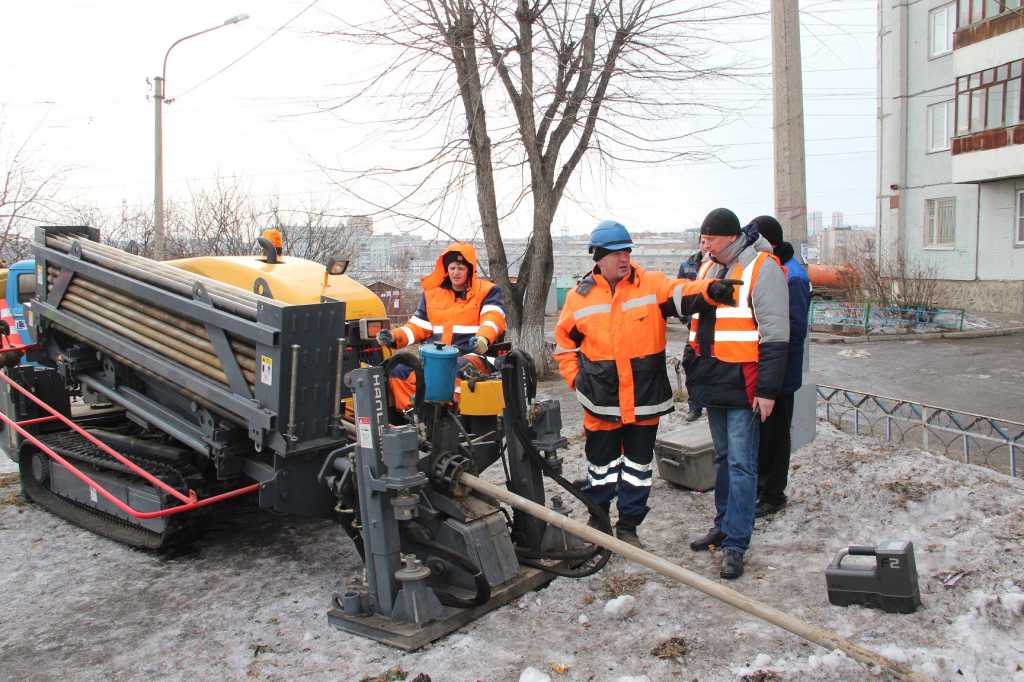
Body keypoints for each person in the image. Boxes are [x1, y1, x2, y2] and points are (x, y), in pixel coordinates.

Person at [553, 220, 740, 549]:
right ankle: (598, 521)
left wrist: (710, 292)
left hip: (643, 402)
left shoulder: (649, 285)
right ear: (597, 257)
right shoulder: (578, 298)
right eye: (615, 253)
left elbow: (681, 291)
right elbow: (564, 346)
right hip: (601, 404)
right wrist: (577, 381)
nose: (623, 259)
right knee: (601, 469)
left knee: (638, 469)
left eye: (626, 251)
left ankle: (628, 526)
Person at [684, 208, 789, 580]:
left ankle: (736, 542)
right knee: (724, 459)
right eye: (703, 239)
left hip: (745, 384)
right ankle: (723, 525)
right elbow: (696, 325)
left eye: (710, 238)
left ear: (730, 237)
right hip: (714, 381)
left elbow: (776, 336)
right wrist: (693, 378)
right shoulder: (708, 268)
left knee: (743, 464)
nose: (704, 245)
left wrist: (767, 390)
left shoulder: (763, 268)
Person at [376, 243, 505, 411]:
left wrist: (483, 338)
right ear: (446, 269)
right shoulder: (431, 295)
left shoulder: (487, 291)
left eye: (460, 268)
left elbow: (493, 318)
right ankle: (414, 415)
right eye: (452, 268)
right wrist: (394, 336)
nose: (455, 272)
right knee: (398, 370)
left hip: (472, 356)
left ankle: (451, 415)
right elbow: (417, 326)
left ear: (470, 269)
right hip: (435, 359)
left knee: (451, 371)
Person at [750, 215, 811, 518]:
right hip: (767, 371)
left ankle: (773, 493)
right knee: (764, 434)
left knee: (776, 435)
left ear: (769, 243)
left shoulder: (793, 277)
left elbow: (793, 332)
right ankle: (761, 488)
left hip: (781, 374)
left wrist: (775, 374)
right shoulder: (771, 269)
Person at [676, 250, 705, 422]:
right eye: (703, 240)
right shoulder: (687, 266)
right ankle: (695, 406)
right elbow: (678, 295)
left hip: (717, 327)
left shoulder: (723, 265)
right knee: (690, 362)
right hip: (694, 327)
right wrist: (687, 320)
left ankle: (712, 402)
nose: (706, 244)